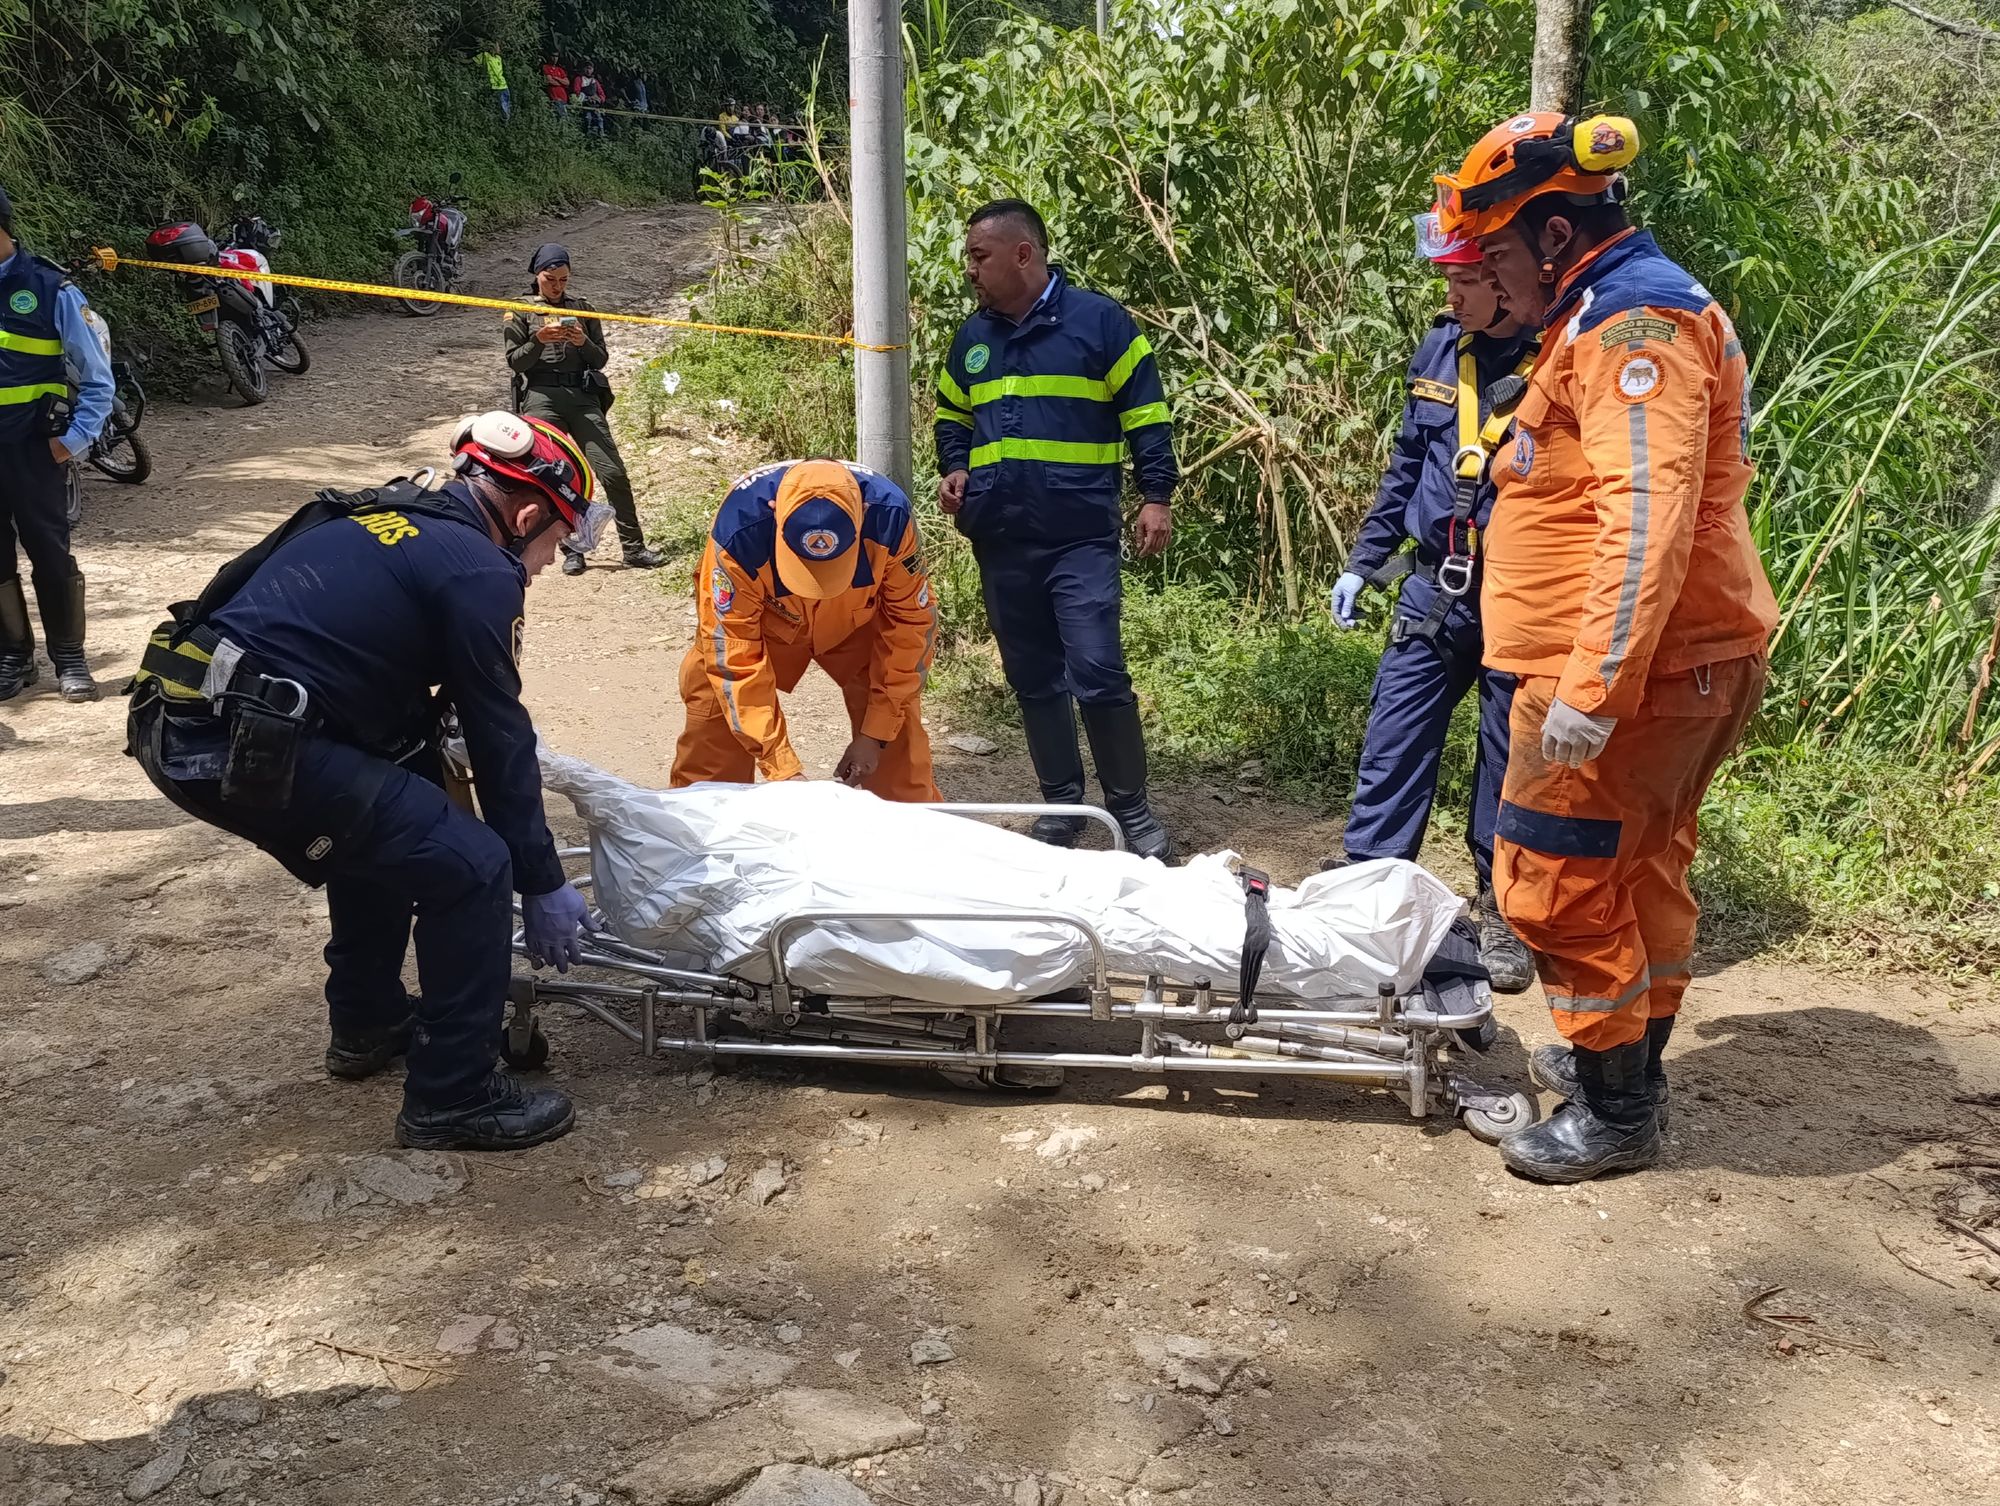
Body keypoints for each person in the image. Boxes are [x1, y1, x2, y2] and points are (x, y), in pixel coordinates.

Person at [1434, 112, 1777, 1181]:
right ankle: (1617, 1069)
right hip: (1669, 662)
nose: (1486, 276)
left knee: (1544, 876)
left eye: (1492, 251)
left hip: (1630, 674)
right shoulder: (1604, 311)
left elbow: (1648, 516)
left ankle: (1617, 1111)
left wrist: (1590, 686)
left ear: (1549, 236)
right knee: (1634, 873)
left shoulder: (1634, 328)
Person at [125, 412, 607, 1150]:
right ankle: (454, 1097)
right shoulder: (480, 569)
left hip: (182, 717)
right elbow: (498, 735)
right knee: (474, 867)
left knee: (393, 814)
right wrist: (537, 878)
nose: (547, 562)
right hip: (246, 742)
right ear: (528, 513)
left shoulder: (379, 510)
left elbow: (233, 591)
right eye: (557, 542)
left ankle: (368, 1021)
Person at [1329, 209, 1537, 993]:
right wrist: (1366, 560)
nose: (1450, 298)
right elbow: (1407, 463)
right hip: (1434, 584)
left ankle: (1504, 914)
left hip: (1521, 596)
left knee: (1506, 764)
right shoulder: (1442, 348)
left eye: (1461, 283)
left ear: (1503, 279)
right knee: (1394, 738)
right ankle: (1368, 886)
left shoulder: (1560, 361)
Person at [934, 199, 1176, 860]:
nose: (970, 270)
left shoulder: (1099, 323)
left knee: (1098, 669)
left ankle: (1130, 813)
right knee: (1032, 676)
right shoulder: (973, 338)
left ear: (1023, 254)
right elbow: (952, 416)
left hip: (1079, 538)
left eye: (979, 257)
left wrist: (1157, 494)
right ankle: (1062, 806)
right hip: (1001, 537)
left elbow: (1147, 415)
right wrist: (954, 469)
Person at [672, 458, 940, 801]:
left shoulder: (889, 518)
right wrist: (782, 768)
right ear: (774, 512)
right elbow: (732, 650)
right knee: (715, 721)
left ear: (863, 515)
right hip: (769, 627)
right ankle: (695, 835)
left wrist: (876, 735)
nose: (817, 587)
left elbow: (910, 627)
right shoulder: (740, 529)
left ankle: (911, 842)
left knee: (897, 748)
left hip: (858, 625)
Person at [0, 182, 114, 704]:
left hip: (33, 449)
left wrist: (73, 441)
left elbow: (97, 378)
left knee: (50, 550)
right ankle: (13, 656)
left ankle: (69, 658)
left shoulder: (51, 289)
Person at [503, 242, 662, 575]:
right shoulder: (519, 309)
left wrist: (582, 342)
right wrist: (539, 340)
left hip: (582, 396)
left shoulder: (583, 307)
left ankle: (633, 549)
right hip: (541, 396)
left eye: (563, 279)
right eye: (550, 279)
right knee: (556, 476)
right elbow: (514, 362)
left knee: (613, 472)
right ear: (537, 275)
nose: (558, 286)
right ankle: (571, 548)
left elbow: (600, 358)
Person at [474, 45, 510, 120]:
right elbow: (475, 62)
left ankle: (504, 116)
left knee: (504, 101)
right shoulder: (486, 56)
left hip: (501, 84)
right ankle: (501, 117)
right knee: (500, 101)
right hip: (494, 84)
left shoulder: (498, 58)